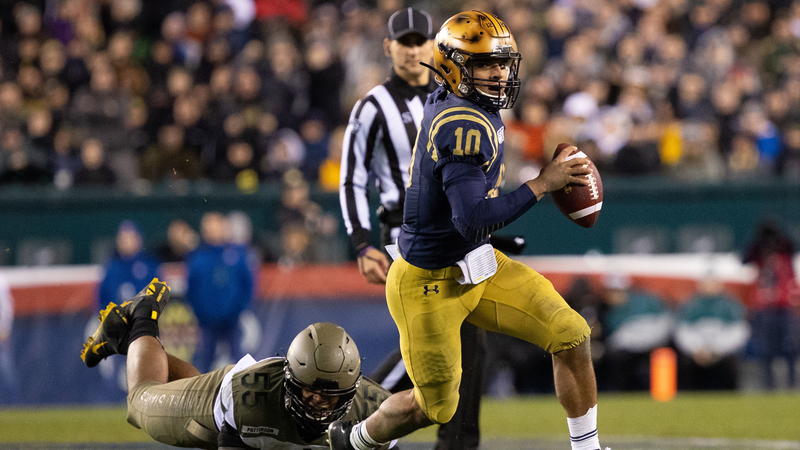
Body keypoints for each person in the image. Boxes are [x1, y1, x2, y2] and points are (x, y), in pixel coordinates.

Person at [329, 11, 608, 450]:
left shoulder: (464, 102)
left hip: (477, 264)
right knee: (434, 406)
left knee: (570, 333)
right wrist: (542, 184)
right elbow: (471, 217)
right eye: (483, 64)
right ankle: (358, 440)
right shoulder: (462, 122)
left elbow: (463, 213)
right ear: (454, 66)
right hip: (428, 283)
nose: (498, 73)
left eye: (501, 63)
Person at [338, 9, 484, 450]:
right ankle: (350, 414)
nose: (413, 49)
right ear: (389, 48)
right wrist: (362, 243)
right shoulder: (372, 107)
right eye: (404, 42)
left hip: (457, 228)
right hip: (406, 228)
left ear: (434, 46)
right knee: (451, 335)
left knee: (466, 338)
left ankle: (452, 439)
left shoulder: (457, 97)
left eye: (421, 41)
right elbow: (352, 179)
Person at [81, 279, 397, 448]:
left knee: (185, 382)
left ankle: (121, 340)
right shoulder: (251, 398)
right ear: (290, 381)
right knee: (140, 403)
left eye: (332, 395)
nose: (320, 403)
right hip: (218, 410)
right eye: (311, 391)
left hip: (246, 418)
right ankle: (141, 319)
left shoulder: (374, 409)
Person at [186, 211, 254, 373]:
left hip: (232, 319)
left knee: (239, 361)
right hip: (207, 321)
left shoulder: (237, 254)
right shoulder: (198, 257)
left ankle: (241, 395)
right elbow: (191, 289)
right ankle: (205, 397)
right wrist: (201, 313)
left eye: (214, 226)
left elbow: (247, 284)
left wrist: (237, 309)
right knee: (204, 362)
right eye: (207, 227)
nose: (211, 230)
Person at [742, 219, 800, 389]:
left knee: (790, 349)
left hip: (784, 308)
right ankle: (768, 387)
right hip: (764, 309)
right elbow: (744, 258)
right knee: (766, 351)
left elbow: (791, 244)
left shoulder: (785, 252)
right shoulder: (759, 255)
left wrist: (778, 236)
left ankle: (791, 386)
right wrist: (758, 239)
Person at [674, 270, 751, 391]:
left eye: (712, 283)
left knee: (729, 367)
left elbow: (739, 331)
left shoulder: (730, 305)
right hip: (696, 354)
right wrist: (697, 348)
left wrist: (717, 349)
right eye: (706, 284)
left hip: (723, 353)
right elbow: (682, 331)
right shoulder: (690, 305)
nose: (709, 287)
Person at [596, 273, 673, 392]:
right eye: (610, 292)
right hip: (629, 351)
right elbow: (614, 340)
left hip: (653, 345)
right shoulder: (610, 313)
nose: (613, 296)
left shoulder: (645, 301)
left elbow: (665, 322)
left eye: (616, 291)